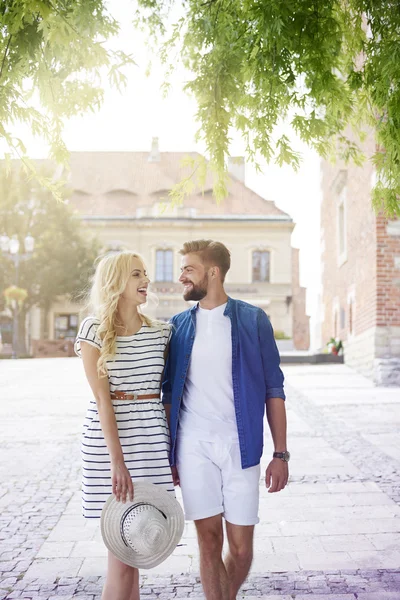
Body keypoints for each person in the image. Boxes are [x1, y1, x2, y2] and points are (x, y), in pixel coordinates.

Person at [162, 239, 289, 600]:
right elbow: (170, 394)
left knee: (242, 547)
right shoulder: (178, 326)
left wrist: (280, 454)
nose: (181, 275)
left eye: (188, 268)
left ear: (212, 272)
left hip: (241, 446)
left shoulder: (252, 320)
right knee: (209, 541)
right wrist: (170, 455)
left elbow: (273, 389)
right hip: (193, 445)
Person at [75, 251, 174, 600]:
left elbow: (170, 397)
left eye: (145, 273)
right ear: (116, 282)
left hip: (151, 439)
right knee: (121, 550)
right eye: (136, 274)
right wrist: (117, 462)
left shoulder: (162, 332)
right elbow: (104, 400)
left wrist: (172, 456)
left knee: (136, 545)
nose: (146, 280)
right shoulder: (93, 330)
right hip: (109, 442)